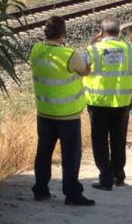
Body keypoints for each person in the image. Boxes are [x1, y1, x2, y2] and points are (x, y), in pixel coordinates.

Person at [29, 16, 96, 206]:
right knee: (71, 156)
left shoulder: (36, 50)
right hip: (68, 115)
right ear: (64, 33)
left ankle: (40, 189)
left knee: (43, 152)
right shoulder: (69, 54)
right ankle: (72, 193)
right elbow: (85, 70)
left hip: (44, 112)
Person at [84, 18, 132, 190]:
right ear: (119, 32)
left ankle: (105, 178)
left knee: (99, 141)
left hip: (98, 104)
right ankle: (118, 176)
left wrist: (93, 41)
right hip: (122, 103)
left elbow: (82, 69)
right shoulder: (129, 50)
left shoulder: (93, 50)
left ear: (101, 32)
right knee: (119, 139)